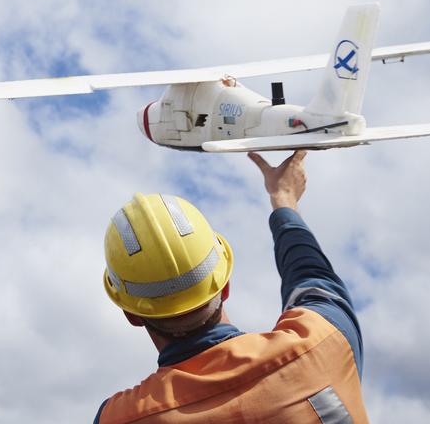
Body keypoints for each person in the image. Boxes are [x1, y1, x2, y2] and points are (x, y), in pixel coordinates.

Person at [94, 151, 369, 423]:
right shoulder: (323, 341)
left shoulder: (120, 417)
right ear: (225, 285)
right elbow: (312, 277)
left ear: (132, 315)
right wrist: (284, 199)